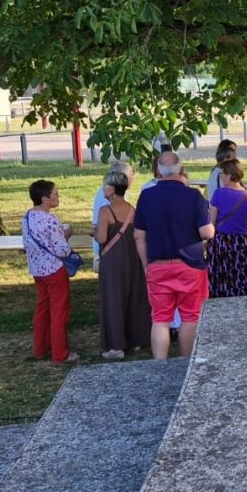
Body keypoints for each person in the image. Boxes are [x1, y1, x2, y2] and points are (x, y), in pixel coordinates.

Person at [134, 151, 214, 359]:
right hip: (190, 265)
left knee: (160, 318)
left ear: (158, 171)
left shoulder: (147, 196)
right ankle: (186, 362)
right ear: (181, 169)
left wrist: (146, 265)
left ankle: (160, 365)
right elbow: (207, 232)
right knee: (190, 316)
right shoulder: (193, 196)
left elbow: (138, 236)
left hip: (157, 264)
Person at [95, 170, 151, 359]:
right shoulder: (132, 209)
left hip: (113, 260)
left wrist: (93, 232)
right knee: (133, 296)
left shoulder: (105, 211)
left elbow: (102, 237)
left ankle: (116, 345)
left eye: (105, 185)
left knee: (114, 299)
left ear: (111, 189)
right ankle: (136, 339)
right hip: (132, 257)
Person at [22, 180, 76, 364]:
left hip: (37, 269)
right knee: (59, 310)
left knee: (42, 308)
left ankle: (41, 347)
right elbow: (62, 250)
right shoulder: (50, 219)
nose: (57, 196)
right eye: (55, 194)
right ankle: (60, 353)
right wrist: (66, 234)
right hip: (54, 269)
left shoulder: (28, 216)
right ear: (45, 199)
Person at [207, 158, 247, 298]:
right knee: (240, 276)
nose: (220, 176)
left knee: (221, 276)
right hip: (241, 242)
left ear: (228, 175)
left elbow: (212, 221)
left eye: (221, 173)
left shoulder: (219, 194)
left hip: (221, 242)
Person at [90, 158, 133, 271]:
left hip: (114, 253)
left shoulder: (109, 196)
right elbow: (102, 236)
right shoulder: (107, 201)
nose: (132, 179)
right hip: (114, 253)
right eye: (130, 176)